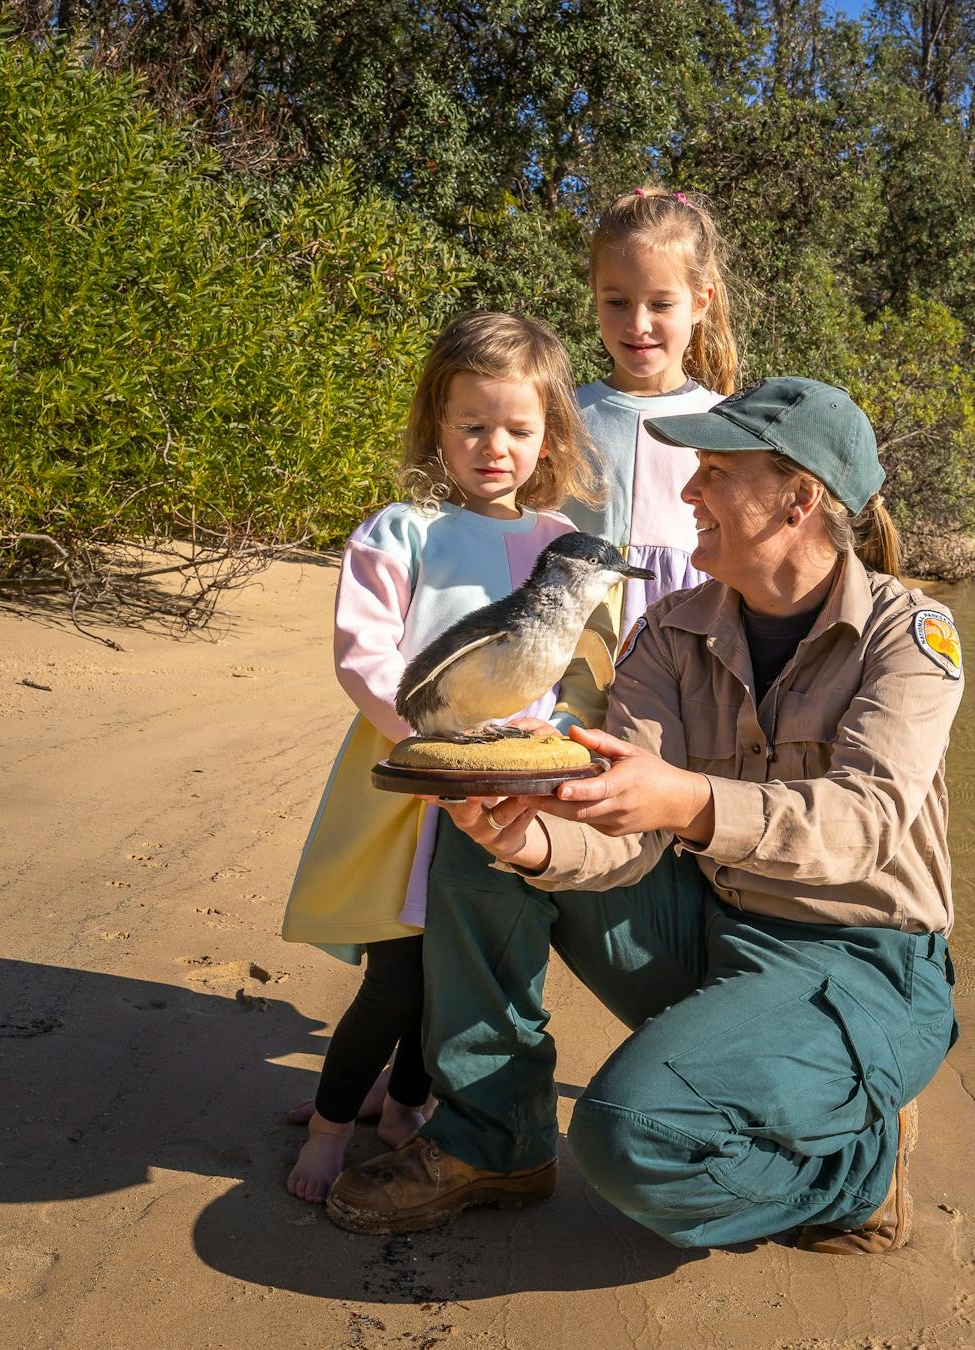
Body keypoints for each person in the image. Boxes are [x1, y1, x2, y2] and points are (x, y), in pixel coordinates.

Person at [327, 377, 964, 1256]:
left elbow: (866, 823)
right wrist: (533, 837)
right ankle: (493, 1139)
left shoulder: (908, 634)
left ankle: (861, 1168)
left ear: (799, 500)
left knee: (629, 1141)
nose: (689, 492)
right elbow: (626, 834)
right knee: (485, 850)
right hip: (710, 926)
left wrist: (687, 800)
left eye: (715, 473)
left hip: (864, 959)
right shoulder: (667, 631)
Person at [279, 311, 601, 1203]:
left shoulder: (556, 540)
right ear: (437, 425)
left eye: (518, 429)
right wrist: (429, 744)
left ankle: (403, 1108)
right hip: (406, 778)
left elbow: (576, 664)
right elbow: (365, 657)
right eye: (472, 425)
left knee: (453, 977)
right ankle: (330, 1128)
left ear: (549, 437)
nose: (495, 447)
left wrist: (548, 736)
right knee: (395, 980)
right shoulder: (403, 529)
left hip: (504, 790)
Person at [553, 185, 738, 732]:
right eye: (617, 302)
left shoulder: (726, 422)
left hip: (690, 631)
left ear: (701, 302)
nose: (637, 324)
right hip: (576, 638)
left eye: (660, 304)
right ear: (593, 296)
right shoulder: (562, 414)